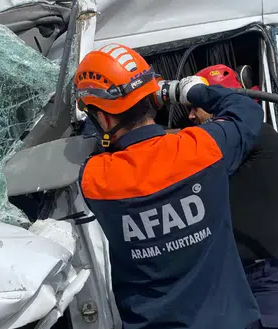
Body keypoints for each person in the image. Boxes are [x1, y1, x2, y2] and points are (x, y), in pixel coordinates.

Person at [75, 43, 264, 329]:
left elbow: (92, 143)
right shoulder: (202, 147)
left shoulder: (95, 178)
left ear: (102, 117)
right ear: (152, 97)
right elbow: (246, 110)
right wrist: (191, 92)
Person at [186, 64, 278, 329]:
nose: (190, 115)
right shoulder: (222, 144)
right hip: (240, 277)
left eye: (196, 106)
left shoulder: (257, 134)